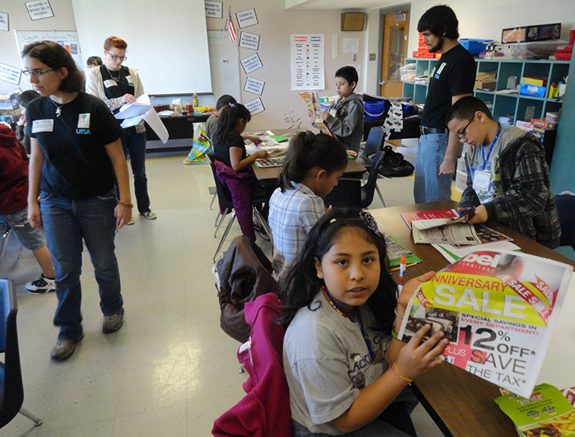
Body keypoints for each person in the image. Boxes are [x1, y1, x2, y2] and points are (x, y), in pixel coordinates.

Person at [282, 208, 448, 436]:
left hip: (363, 389)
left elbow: (388, 356)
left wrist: (403, 309)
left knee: (433, 380)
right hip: (331, 430)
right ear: (319, 267)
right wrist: (401, 373)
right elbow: (344, 422)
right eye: (342, 262)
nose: (357, 274)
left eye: (368, 259)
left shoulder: (362, 300)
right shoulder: (314, 335)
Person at [22, 40, 132, 360]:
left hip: (96, 199)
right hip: (54, 201)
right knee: (65, 268)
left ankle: (112, 308)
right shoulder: (36, 109)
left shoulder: (93, 107)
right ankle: (69, 329)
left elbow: (117, 158)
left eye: (39, 72)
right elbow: (36, 159)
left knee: (103, 262)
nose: (33, 80)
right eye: (29, 73)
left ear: (61, 72)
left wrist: (125, 201)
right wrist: (32, 201)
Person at [446, 96, 561, 248]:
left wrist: (489, 210)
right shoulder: (473, 152)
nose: (463, 139)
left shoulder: (521, 145)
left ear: (480, 117)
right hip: (497, 229)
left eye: (462, 132)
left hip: (529, 235)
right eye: (459, 137)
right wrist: (467, 209)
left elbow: (533, 195)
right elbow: (472, 188)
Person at [85, 35, 156, 224]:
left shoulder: (131, 72)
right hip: (112, 131)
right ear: (105, 52)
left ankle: (144, 208)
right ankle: (123, 209)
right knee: (118, 170)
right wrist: (119, 101)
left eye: (122, 57)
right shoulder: (95, 74)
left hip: (135, 128)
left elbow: (141, 96)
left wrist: (141, 107)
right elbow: (94, 104)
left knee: (140, 172)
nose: (118, 61)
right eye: (114, 56)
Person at [414, 5, 476, 204]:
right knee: (421, 200)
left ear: (443, 31)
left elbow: (460, 112)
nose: (425, 40)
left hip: (440, 140)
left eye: (427, 35)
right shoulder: (445, 58)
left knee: (436, 203)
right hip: (428, 138)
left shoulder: (461, 60)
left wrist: (449, 156)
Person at [268, 131, 347, 285]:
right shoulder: (309, 202)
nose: (336, 183)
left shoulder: (278, 193)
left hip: (280, 277)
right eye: (337, 177)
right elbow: (327, 247)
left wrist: (322, 216)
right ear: (321, 175)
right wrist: (329, 219)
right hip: (302, 284)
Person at [0, 122, 56, 294]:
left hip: (12, 200)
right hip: (23, 188)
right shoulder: (5, 132)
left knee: (34, 240)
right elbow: (24, 157)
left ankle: (52, 278)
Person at [211, 103, 268, 241]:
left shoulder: (218, 134)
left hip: (226, 183)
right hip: (239, 183)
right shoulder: (235, 139)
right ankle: (264, 220)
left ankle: (260, 217)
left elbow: (230, 142)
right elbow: (236, 166)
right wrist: (257, 155)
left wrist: (248, 137)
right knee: (273, 186)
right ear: (241, 121)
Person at [319, 66, 364, 154]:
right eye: (336, 84)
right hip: (334, 144)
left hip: (347, 150)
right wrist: (316, 117)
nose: (338, 87)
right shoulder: (337, 101)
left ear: (352, 85)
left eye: (342, 84)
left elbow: (346, 130)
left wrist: (330, 119)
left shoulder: (354, 104)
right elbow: (326, 124)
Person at [14, 89, 40, 154]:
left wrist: (20, 127)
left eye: (22, 109)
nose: (21, 112)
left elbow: (23, 148)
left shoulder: (31, 126)